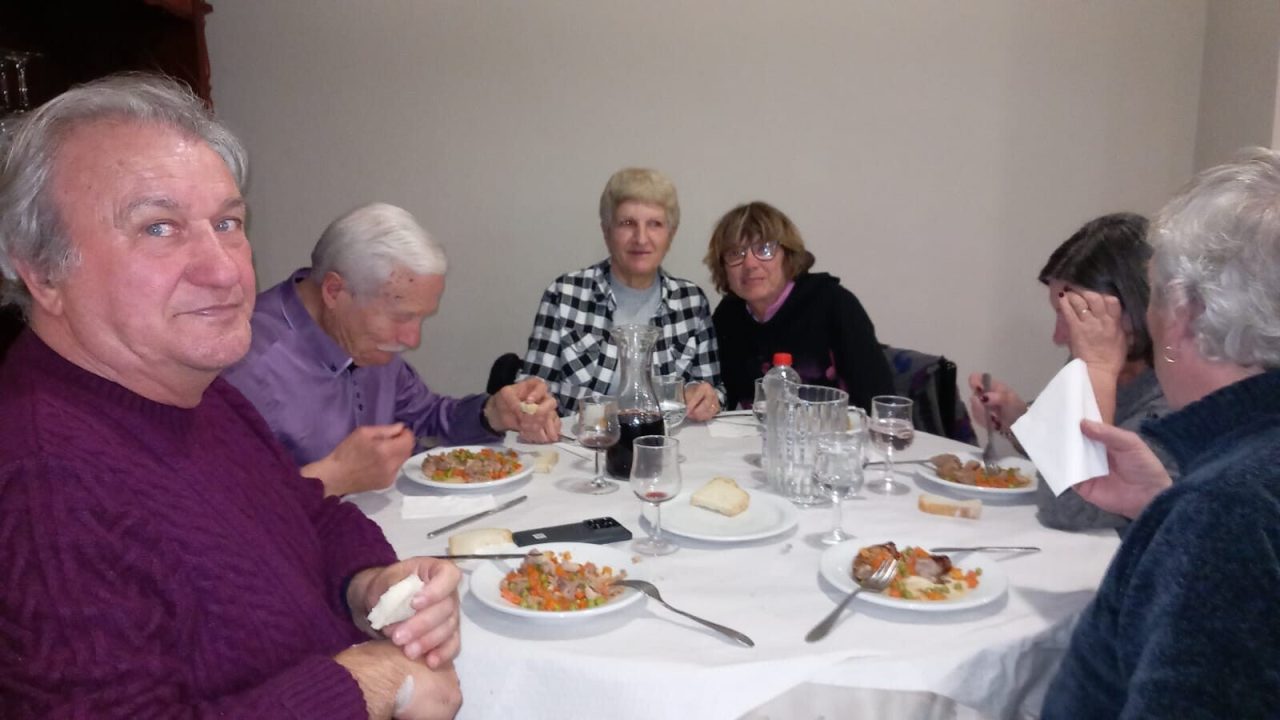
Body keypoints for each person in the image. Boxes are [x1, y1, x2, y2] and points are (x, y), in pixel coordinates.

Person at [0, 74, 462, 719]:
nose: (225, 270)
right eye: (158, 228)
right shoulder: (45, 485)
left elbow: (305, 515)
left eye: (228, 222)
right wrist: (369, 683)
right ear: (43, 272)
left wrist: (371, 584)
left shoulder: (193, 391)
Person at [1041, 148, 1280, 717]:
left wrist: (1186, 515)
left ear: (1183, 309)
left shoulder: (1226, 508)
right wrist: (1161, 505)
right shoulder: (1231, 479)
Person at [223, 203, 560, 497]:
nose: (412, 339)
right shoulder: (242, 365)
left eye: (421, 318)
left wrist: (491, 413)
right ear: (334, 291)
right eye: (402, 317)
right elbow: (229, 510)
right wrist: (332, 479)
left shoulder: (367, 342)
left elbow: (426, 419)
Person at [968, 213, 1173, 532]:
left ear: (1132, 309)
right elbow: (1063, 461)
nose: (1058, 336)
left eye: (1072, 316)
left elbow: (1069, 509)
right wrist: (1020, 422)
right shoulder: (1100, 356)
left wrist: (1097, 371)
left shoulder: (1173, 397)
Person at [520, 167, 725, 419]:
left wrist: (708, 399)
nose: (641, 238)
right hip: (584, 440)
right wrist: (534, 406)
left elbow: (714, 391)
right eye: (627, 223)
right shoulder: (564, 295)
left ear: (670, 235)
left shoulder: (691, 303)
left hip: (666, 440)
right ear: (607, 231)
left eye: (655, 224)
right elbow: (531, 393)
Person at [702, 201, 894, 412]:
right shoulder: (728, 316)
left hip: (840, 430)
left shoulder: (834, 303)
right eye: (735, 253)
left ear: (788, 255)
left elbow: (879, 401)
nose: (750, 264)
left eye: (764, 249)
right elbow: (724, 399)